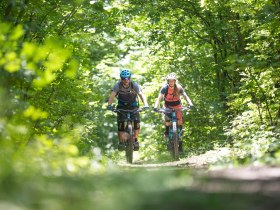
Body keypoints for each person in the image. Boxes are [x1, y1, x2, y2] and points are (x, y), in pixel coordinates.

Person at [107, 69, 149, 151]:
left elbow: (141, 94)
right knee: (121, 124)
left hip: (133, 106)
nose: (126, 80)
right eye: (123, 79)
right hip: (122, 106)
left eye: (127, 78)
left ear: (130, 78)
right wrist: (109, 105)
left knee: (136, 122)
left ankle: (135, 140)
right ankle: (121, 142)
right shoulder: (117, 86)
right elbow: (112, 95)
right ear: (121, 79)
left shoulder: (134, 85)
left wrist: (146, 104)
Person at [153, 72, 193, 152]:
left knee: (180, 121)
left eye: (173, 81)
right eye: (169, 81)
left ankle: (180, 139)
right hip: (167, 106)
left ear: (175, 81)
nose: (171, 82)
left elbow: (185, 96)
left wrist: (190, 104)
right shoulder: (164, 88)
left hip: (177, 106)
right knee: (167, 120)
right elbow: (159, 98)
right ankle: (167, 132)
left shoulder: (179, 87)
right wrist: (155, 107)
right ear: (168, 81)